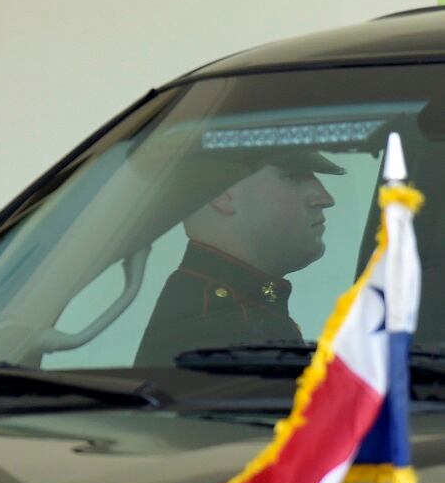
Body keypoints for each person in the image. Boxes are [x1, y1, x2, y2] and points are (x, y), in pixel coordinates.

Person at [135, 150, 341, 366]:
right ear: (223, 194)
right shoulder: (213, 327)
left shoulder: (230, 306)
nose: (325, 198)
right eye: (294, 176)